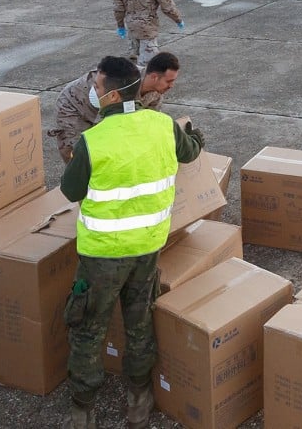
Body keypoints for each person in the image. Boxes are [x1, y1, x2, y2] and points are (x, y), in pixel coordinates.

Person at [59, 55, 205, 429]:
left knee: (89, 328)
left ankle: (82, 409)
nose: (93, 91)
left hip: (102, 256)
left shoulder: (92, 141)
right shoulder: (163, 125)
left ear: (110, 96)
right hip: (148, 248)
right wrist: (197, 137)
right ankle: (138, 400)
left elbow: (70, 190)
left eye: (97, 87)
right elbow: (191, 150)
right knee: (139, 324)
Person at [48, 53, 182, 164]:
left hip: (101, 109)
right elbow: (106, 126)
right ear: (154, 77)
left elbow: (146, 124)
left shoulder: (156, 94)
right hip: (74, 107)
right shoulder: (124, 85)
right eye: (169, 81)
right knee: (78, 157)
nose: (172, 86)